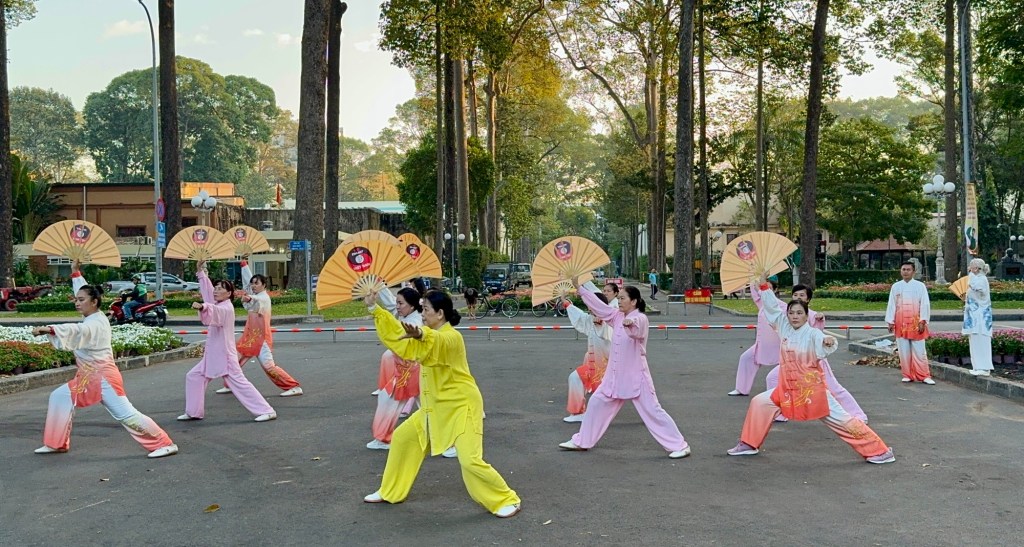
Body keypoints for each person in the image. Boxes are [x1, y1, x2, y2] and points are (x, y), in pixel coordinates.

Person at [361, 289, 521, 518]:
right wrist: (373, 308)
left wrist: (420, 335)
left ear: (440, 313)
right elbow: (400, 338)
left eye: (426, 309)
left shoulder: (451, 337)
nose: (422, 313)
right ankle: (390, 491)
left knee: (470, 460)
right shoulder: (426, 335)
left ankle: (506, 499)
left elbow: (436, 342)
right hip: (433, 407)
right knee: (403, 439)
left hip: (461, 406)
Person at [726, 279, 895, 464]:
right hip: (786, 390)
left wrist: (828, 341)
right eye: (791, 313)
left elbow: (825, 341)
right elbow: (772, 308)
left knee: (842, 420)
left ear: (807, 316)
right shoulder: (783, 327)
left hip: (812, 391)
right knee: (760, 403)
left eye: (799, 313)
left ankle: (880, 451)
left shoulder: (813, 334)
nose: (795, 316)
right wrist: (764, 287)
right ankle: (748, 443)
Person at [31, 261, 178, 458]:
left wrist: (50, 329)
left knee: (125, 414)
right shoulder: (93, 316)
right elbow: (83, 293)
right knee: (60, 397)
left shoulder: (96, 323)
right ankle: (56, 443)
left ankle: (165, 444)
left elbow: (79, 331)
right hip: (88, 377)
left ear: (94, 302)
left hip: (104, 378)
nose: (77, 302)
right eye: (76, 299)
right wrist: (75, 273)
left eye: (81, 300)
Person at [559, 283, 691, 459]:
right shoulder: (616, 316)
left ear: (634, 301)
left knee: (653, 411)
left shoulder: (640, 318)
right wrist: (581, 289)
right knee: (596, 403)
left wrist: (630, 324)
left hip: (636, 376)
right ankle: (582, 441)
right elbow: (599, 307)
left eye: (622, 298)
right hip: (614, 377)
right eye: (619, 298)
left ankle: (680, 445)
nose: (619, 301)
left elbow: (637, 331)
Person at [178, 260, 277, 423]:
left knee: (239, 383)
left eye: (220, 289)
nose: (215, 291)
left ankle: (266, 410)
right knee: (194, 377)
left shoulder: (226, 308)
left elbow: (214, 310)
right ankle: (193, 412)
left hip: (225, 355)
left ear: (229, 293)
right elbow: (208, 293)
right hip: (212, 356)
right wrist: (200, 272)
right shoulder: (216, 302)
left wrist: (202, 307)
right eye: (216, 288)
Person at [764, 284, 868, 423]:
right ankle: (780, 412)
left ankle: (858, 415)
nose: (798, 298)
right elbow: (772, 307)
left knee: (834, 389)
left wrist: (826, 338)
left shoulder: (813, 315)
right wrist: (763, 287)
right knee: (772, 378)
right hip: (791, 364)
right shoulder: (787, 315)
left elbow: (818, 334)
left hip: (812, 362)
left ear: (808, 300)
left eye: (802, 295)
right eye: (795, 295)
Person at [217, 258, 303, 397]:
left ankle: (293, 386)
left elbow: (257, 299)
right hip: (249, 338)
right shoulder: (254, 296)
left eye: (256, 283)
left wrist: (250, 298)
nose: (253, 286)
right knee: (234, 361)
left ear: (264, 285)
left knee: (269, 367)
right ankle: (230, 384)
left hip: (262, 339)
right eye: (253, 283)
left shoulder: (264, 298)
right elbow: (247, 287)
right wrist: (244, 264)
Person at [366, 287, 424, 450]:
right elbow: (391, 305)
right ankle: (448, 441)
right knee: (430, 406)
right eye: (397, 302)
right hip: (412, 369)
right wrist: (380, 288)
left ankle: (383, 438)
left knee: (388, 399)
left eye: (401, 303)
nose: (397, 306)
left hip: (409, 370)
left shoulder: (414, 322)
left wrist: (374, 308)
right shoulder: (409, 315)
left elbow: (396, 330)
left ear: (412, 305)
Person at [561, 289, 612, 423]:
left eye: (591, 303)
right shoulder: (591, 319)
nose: (588, 306)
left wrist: (601, 322)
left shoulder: (610, 320)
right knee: (574, 377)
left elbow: (608, 334)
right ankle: (578, 412)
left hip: (609, 369)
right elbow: (580, 316)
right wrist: (566, 303)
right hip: (593, 366)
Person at [885, 261, 935, 384]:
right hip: (901, 323)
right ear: (900, 271)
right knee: (903, 351)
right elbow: (891, 304)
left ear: (913, 272)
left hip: (916, 323)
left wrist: (923, 320)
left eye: (908, 269)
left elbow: (925, 304)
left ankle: (924, 376)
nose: (905, 272)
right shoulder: (896, 286)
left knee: (920, 351)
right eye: (903, 269)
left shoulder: (920, 286)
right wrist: (890, 321)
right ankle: (907, 374)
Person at [728, 280, 780, 396]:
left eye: (769, 288)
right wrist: (753, 278)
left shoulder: (779, 304)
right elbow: (756, 293)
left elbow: (803, 313)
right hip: (762, 344)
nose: (765, 291)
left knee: (778, 374)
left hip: (780, 345)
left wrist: (817, 316)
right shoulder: (762, 303)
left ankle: (777, 395)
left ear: (775, 290)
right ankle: (741, 388)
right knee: (746, 358)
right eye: (764, 288)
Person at [963, 258, 994, 377]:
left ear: (976, 268)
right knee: (974, 341)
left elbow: (976, 288)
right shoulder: (976, 279)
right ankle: (977, 366)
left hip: (980, 317)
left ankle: (984, 367)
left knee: (981, 341)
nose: (969, 269)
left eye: (971, 267)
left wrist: (971, 276)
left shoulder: (981, 279)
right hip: (974, 316)